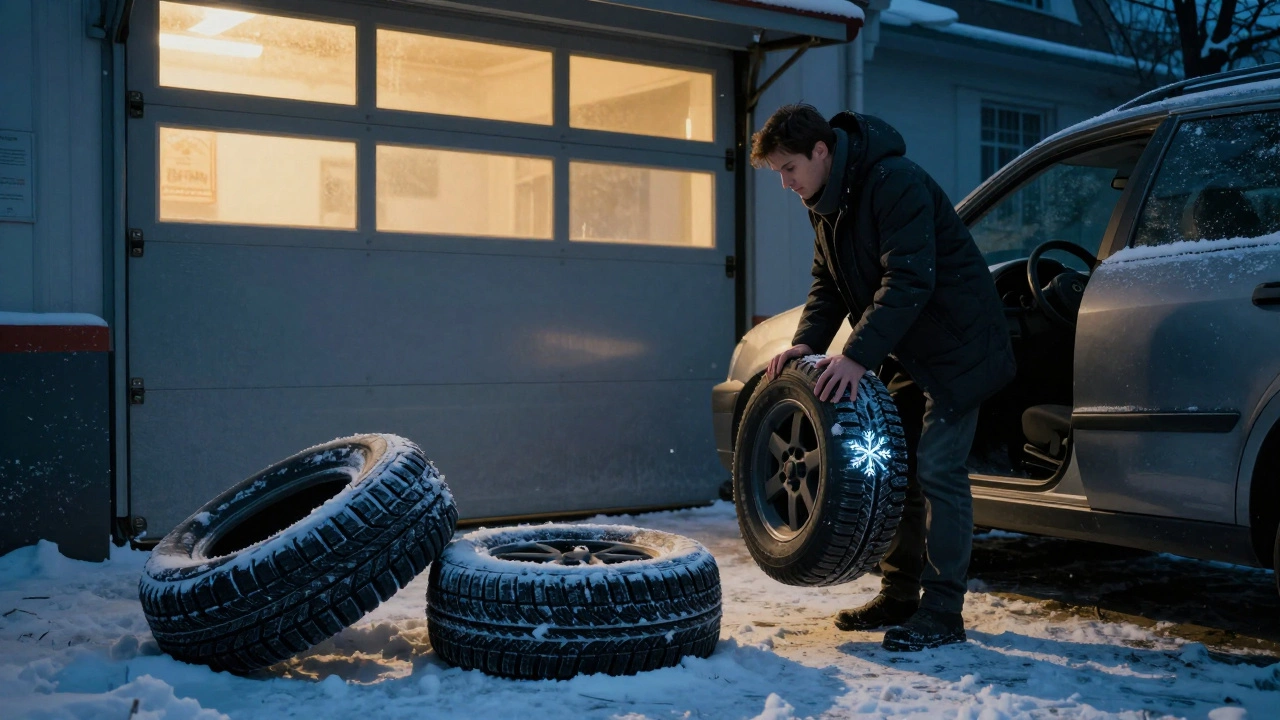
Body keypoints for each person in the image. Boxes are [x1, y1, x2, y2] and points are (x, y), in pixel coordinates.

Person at [753, 104, 1015, 651]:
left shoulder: (895, 183)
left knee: (939, 470)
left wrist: (856, 356)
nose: (785, 183)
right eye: (778, 172)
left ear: (821, 151)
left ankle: (943, 610)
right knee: (895, 467)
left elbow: (908, 280)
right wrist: (808, 343)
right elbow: (828, 281)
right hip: (908, 348)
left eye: (789, 168)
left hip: (957, 347)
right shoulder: (823, 199)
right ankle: (900, 595)